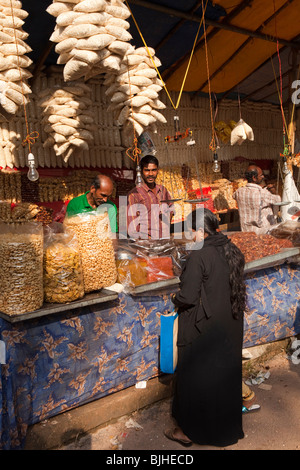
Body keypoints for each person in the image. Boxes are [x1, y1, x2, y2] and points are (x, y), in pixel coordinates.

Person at [164, 208, 246, 448]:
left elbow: (188, 296)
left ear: (200, 231)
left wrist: (174, 299)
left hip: (204, 327)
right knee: (223, 376)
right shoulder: (233, 249)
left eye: (191, 232)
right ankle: (226, 429)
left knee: (195, 377)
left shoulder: (200, 255)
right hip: (231, 323)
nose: (190, 237)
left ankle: (188, 432)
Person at [127, 155, 174, 239]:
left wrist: (166, 225)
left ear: (158, 170)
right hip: (147, 243)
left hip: (164, 240)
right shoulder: (134, 194)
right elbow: (132, 225)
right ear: (141, 171)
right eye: (147, 170)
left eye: (153, 170)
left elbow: (171, 208)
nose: (151, 174)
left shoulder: (163, 190)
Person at [233, 165, 281, 234]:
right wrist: (273, 191)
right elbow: (278, 200)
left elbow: (234, 196)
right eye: (261, 175)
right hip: (262, 232)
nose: (263, 177)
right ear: (254, 178)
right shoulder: (262, 193)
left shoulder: (239, 192)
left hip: (246, 232)